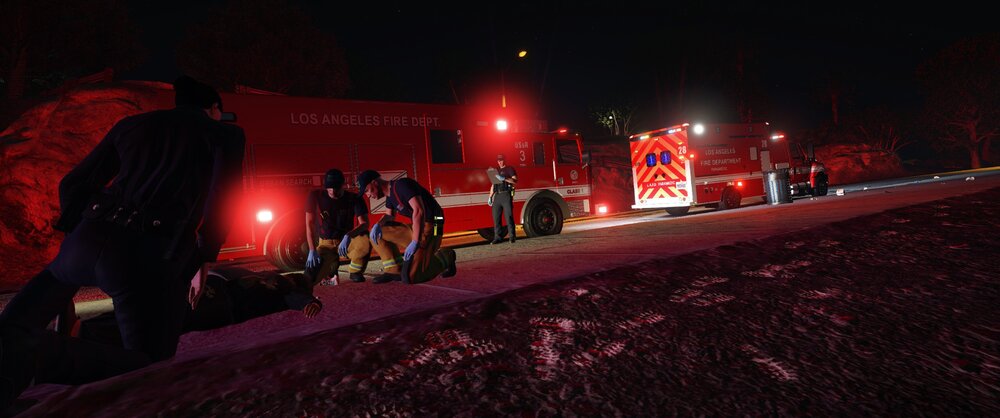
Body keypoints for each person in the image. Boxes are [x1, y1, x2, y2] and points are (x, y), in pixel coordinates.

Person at [0, 75, 245, 409]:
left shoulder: (130, 126)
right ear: (214, 108)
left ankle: (18, 358)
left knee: (13, 325)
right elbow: (223, 200)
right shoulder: (224, 134)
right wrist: (204, 258)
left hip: (85, 241)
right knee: (149, 368)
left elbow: (73, 184)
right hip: (145, 256)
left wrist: (79, 232)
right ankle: (42, 353)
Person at [79, 267, 323, 348]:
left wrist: (310, 302)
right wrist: (310, 302)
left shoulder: (272, 281)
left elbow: (294, 297)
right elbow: (294, 296)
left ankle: (92, 329)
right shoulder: (278, 282)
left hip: (216, 296)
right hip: (219, 304)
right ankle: (93, 333)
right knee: (161, 321)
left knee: (155, 313)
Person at [356, 170, 457, 284]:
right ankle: (394, 270)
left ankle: (446, 256)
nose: (368, 195)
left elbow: (419, 210)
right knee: (377, 234)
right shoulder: (390, 196)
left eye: (367, 190)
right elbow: (390, 216)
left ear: (375, 183)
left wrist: (415, 241)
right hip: (419, 226)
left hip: (435, 223)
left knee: (411, 277)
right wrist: (378, 225)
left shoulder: (402, 185)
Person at [304, 168, 370, 286]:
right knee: (309, 277)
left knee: (365, 240)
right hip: (326, 244)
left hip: (348, 243)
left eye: (336, 188)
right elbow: (309, 224)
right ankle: (331, 270)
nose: (333, 191)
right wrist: (312, 250)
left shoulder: (354, 198)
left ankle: (355, 271)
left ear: (343, 185)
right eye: (329, 188)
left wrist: (349, 235)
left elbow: (365, 223)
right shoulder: (315, 196)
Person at [489, 154, 518, 244]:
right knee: (496, 218)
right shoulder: (495, 170)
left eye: (501, 160)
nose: (500, 162)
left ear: (504, 160)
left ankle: (512, 237)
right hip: (497, 196)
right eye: (498, 160)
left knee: (508, 217)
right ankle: (498, 238)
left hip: (506, 195)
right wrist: (490, 196)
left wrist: (504, 178)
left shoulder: (509, 169)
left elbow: (515, 181)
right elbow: (493, 184)